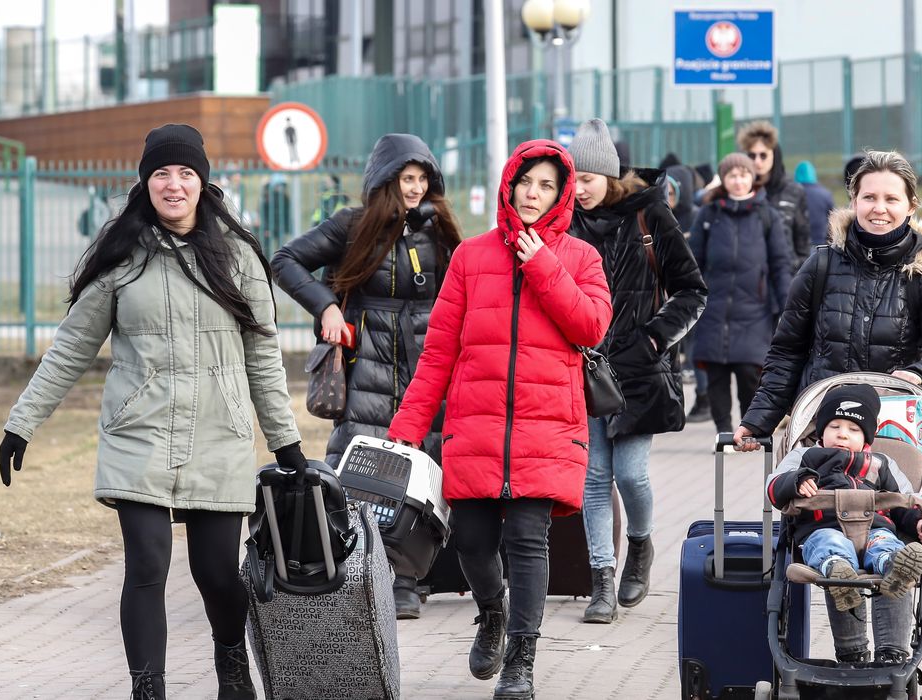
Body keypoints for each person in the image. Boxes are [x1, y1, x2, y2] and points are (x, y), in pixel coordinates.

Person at [0, 124, 307, 700]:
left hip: (221, 431)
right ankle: (149, 688)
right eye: (162, 173)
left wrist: (286, 445)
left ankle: (231, 663)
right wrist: (22, 420)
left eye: (185, 172)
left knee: (216, 574)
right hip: (138, 433)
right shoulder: (122, 257)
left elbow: (263, 357)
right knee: (147, 565)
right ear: (146, 182)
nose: (173, 184)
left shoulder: (238, 257)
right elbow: (71, 346)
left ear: (202, 182)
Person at [388, 140, 612, 700]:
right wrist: (406, 432)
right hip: (477, 423)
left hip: (547, 426)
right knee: (470, 539)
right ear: (509, 184)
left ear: (561, 195)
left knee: (528, 540)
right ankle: (492, 613)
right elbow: (438, 352)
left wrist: (542, 263)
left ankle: (521, 658)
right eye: (525, 182)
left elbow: (590, 327)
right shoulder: (470, 257)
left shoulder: (581, 258)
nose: (533, 194)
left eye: (546, 186)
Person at [733, 150, 922, 664]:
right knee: (829, 526)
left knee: (888, 534)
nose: (879, 208)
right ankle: (850, 657)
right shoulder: (821, 265)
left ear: (911, 206)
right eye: (869, 197)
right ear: (853, 201)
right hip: (827, 427)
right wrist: (757, 420)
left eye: (891, 198)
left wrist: (920, 374)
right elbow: (786, 352)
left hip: (893, 429)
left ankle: (890, 655)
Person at [270, 133, 462, 619]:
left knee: (430, 465)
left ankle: (417, 573)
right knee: (365, 464)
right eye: (406, 179)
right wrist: (326, 305)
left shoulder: (442, 232)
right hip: (367, 362)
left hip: (429, 360)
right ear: (384, 181)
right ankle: (366, 569)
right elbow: (285, 260)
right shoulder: (352, 227)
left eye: (422, 180)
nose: (415, 189)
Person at [569, 120, 707, 624]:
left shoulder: (650, 215)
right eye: (572, 179)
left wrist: (653, 338)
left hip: (639, 369)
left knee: (630, 474)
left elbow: (693, 291)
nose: (578, 189)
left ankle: (641, 547)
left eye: (587, 178)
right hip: (581, 370)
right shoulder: (564, 223)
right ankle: (601, 580)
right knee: (594, 479)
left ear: (609, 174)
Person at [766, 384, 922, 663]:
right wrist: (797, 482)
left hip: (875, 531)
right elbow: (774, 488)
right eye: (834, 426)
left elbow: (905, 503)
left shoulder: (881, 464)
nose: (842, 434)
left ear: (868, 439)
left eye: (853, 429)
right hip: (824, 530)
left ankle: (894, 570)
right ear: (820, 431)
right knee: (831, 548)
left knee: (887, 546)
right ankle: (851, 644)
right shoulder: (805, 458)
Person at [689, 153, 791, 434]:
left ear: (751, 178)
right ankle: (723, 432)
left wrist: (787, 305)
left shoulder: (766, 215)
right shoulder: (709, 215)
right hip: (714, 308)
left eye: (743, 175)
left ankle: (748, 430)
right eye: (732, 175)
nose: (738, 181)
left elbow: (780, 263)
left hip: (754, 309)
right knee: (716, 375)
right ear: (724, 179)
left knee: (750, 372)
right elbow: (693, 261)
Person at [737, 120, 812, 269]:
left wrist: (797, 270)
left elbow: (803, 241)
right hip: (749, 275)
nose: (757, 161)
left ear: (774, 155)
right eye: (752, 156)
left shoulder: (793, 191)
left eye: (763, 155)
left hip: (785, 275)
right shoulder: (741, 190)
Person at [794, 160, 837, 246]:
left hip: (798, 245)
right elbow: (833, 219)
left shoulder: (792, 194)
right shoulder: (825, 194)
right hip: (820, 243)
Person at [658, 152, 697, 232]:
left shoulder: (696, 218)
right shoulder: (658, 217)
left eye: (670, 194)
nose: (665, 198)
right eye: (662, 192)